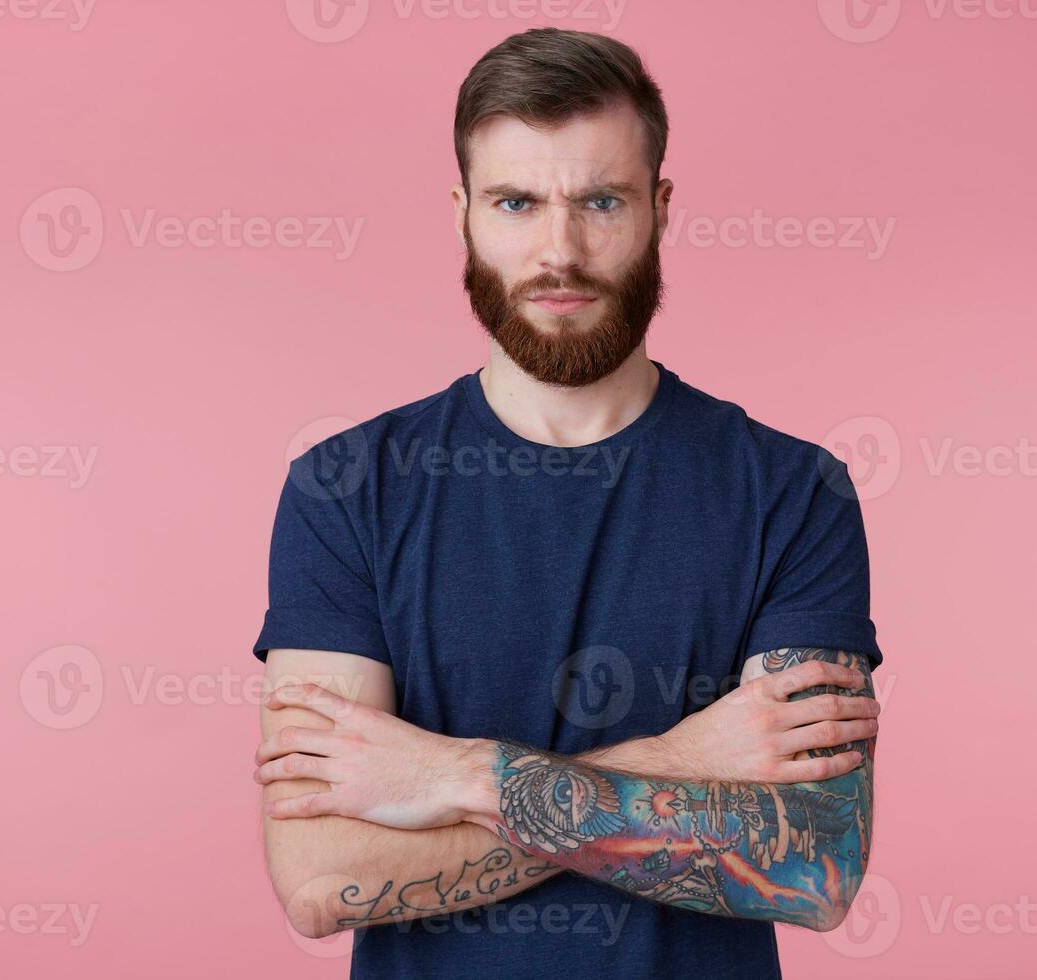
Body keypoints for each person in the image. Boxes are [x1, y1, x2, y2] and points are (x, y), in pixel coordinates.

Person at [251, 27, 883, 980]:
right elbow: (320, 880)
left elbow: (813, 870)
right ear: (462, 212)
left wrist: (450, 776)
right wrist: (677, 760)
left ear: (660, 209)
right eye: (515, 202)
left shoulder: (794, 493)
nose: (561, 250)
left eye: (600, 200)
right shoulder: (345, 490)